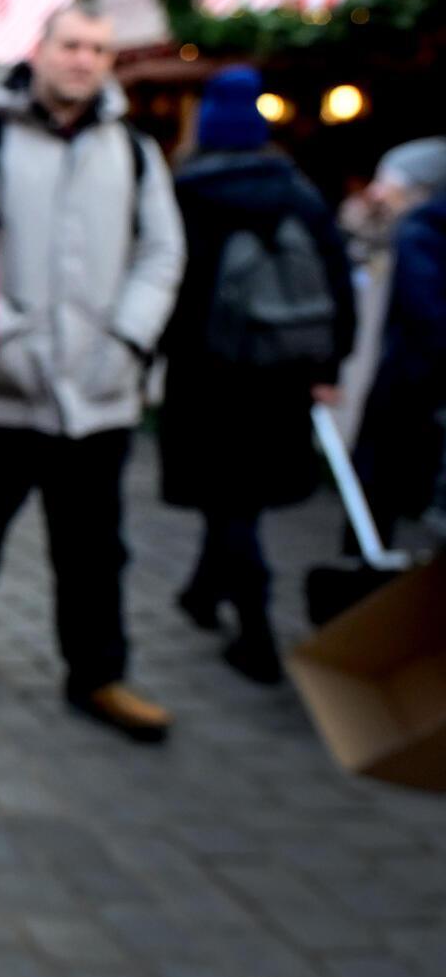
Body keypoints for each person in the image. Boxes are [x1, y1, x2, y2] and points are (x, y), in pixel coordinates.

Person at [0, 3, 186, 744]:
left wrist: (129, 340)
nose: (83, 59)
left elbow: (162, 253)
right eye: (71, 44)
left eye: (99, 49)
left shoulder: (133, 151)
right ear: (38, 50)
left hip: (100, 393)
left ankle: (99, 673)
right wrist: (1, 337)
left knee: (96, 546)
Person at [157, 67, 355, 684]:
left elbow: (171, 287)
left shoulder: (186, 192)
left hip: (211, 377)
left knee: (229, 504)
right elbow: (337, 279)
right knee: (240, 501)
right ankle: (201, 591)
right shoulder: (298, 189)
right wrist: (328, 363)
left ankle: (258, 634)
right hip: (284, 374)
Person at [351, 139, 446, 545]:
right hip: (417, 386)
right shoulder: (414, 229)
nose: (375, 191)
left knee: (379, 487)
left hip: (411, 387)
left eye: (387, 180)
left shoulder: (419, 232)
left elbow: (428, 318)